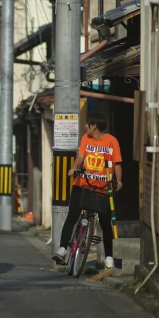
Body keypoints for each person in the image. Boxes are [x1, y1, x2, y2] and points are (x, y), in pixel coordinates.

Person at [52, 111, 123, 270]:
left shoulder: (112, 141)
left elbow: (117, 163)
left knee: (105, 223)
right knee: (72, 216)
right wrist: (74, 168)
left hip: (103, 187)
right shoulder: (86, 139)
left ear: (94, 126)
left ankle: (109, 257)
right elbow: (80, 156)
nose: (85, 126)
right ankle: (62, 249)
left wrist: (118, 180)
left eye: (87, 124)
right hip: (83, 184)